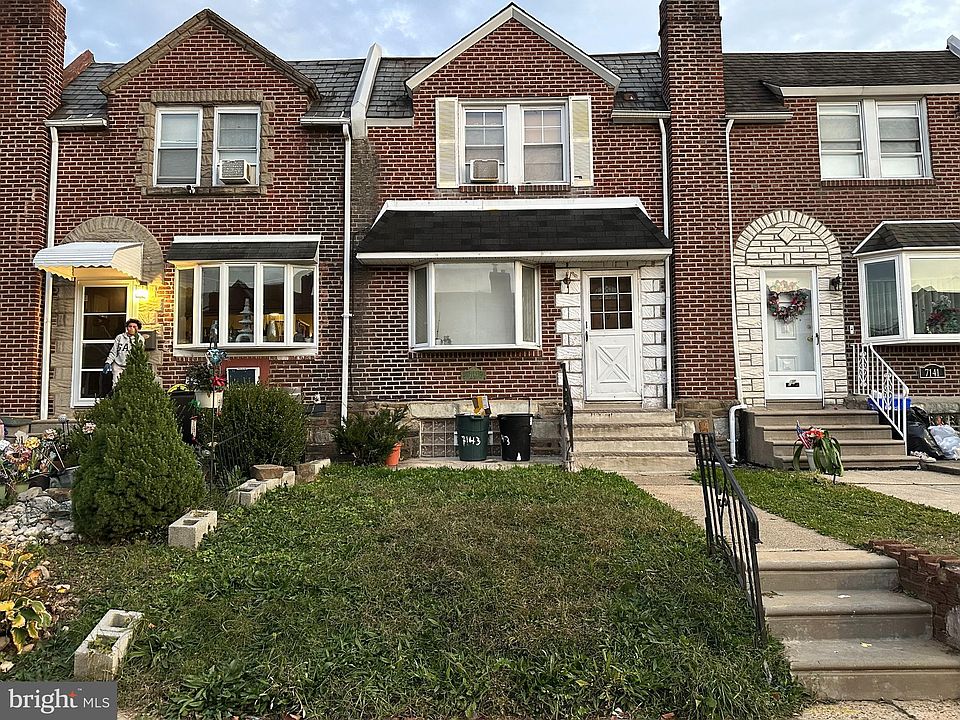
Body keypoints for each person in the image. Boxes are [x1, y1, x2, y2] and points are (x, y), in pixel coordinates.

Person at [104, 318, 144, 388]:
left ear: (138, 328)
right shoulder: (120, 337)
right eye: (130, 326)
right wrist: (108, 362)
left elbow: (139, 353)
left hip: (131, 366)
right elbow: (114, 351)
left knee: (129, 386)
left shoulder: (140, 339)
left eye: (134, 327)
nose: (132, 328)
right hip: (118, 365)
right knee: (116, 385)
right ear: (127, 328)